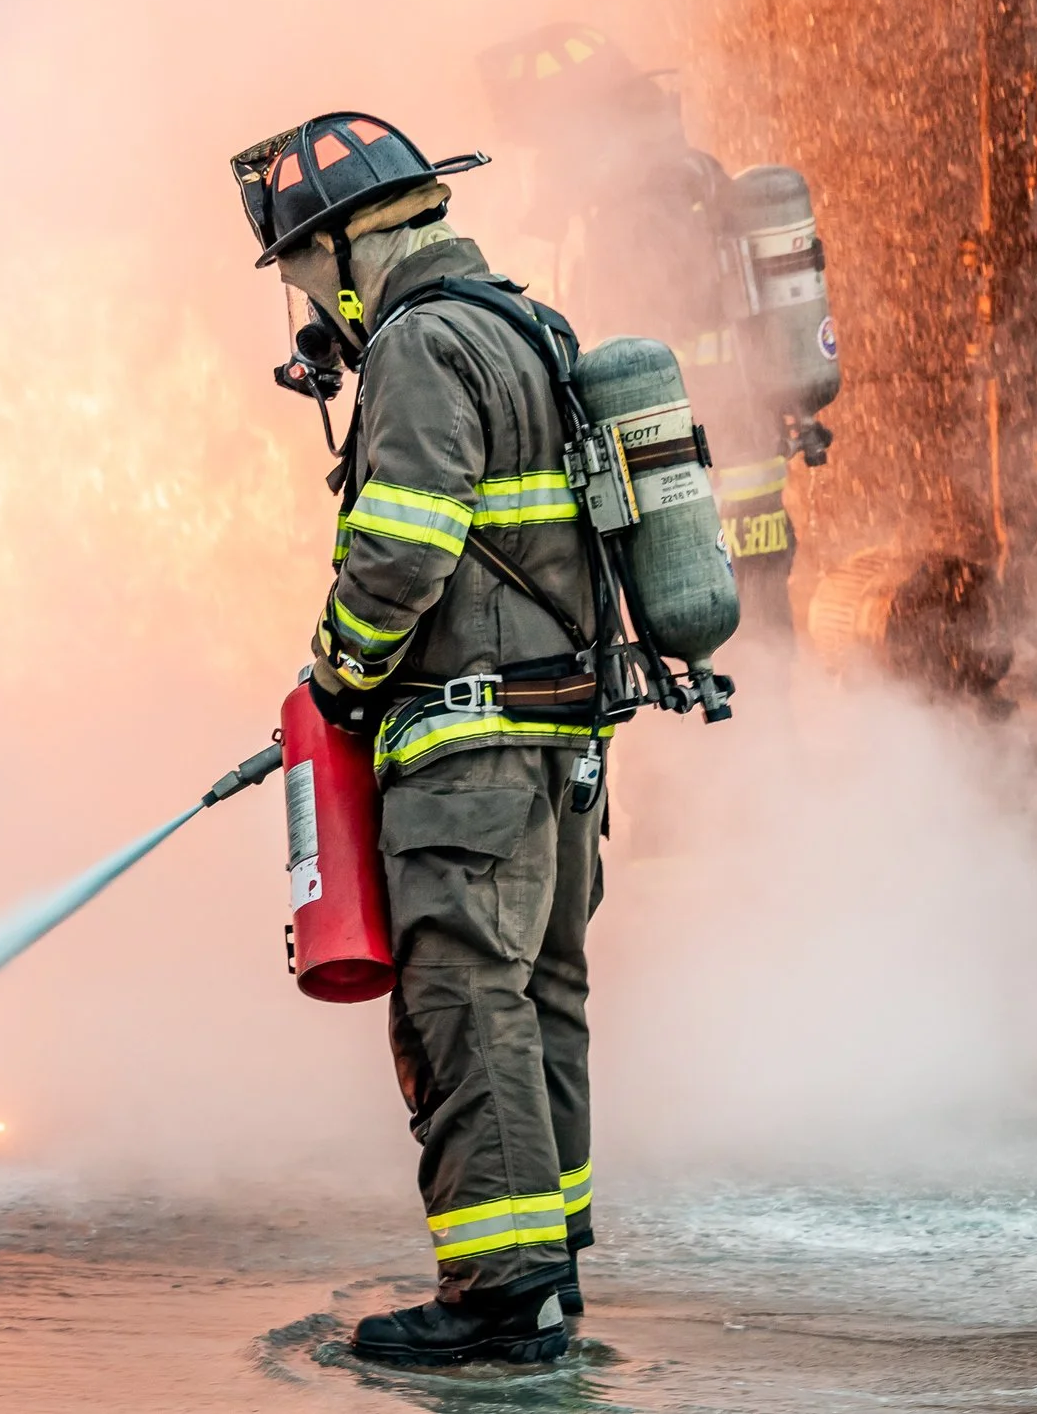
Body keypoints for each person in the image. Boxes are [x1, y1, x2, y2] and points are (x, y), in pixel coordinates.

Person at [230, 113, 605, 1366]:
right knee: (536, 994)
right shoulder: (517, 324)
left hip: (472, 754)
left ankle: (500, 1297)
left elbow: (401, 545)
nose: (303, 301)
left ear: (347, 244)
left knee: (462, 999)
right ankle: (546, 1273)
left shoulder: (417, 345)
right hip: (557, 747)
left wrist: (338, 680)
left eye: (299, 267)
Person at [477, 24, 828, 646]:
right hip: (738, 465)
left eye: (549, 144)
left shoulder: (640, 209)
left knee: (729, 646)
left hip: (698, 474)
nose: (548, 164)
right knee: (760, 641)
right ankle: (770, 737)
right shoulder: (687, 177)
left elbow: (627, 341)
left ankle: (752, 739)